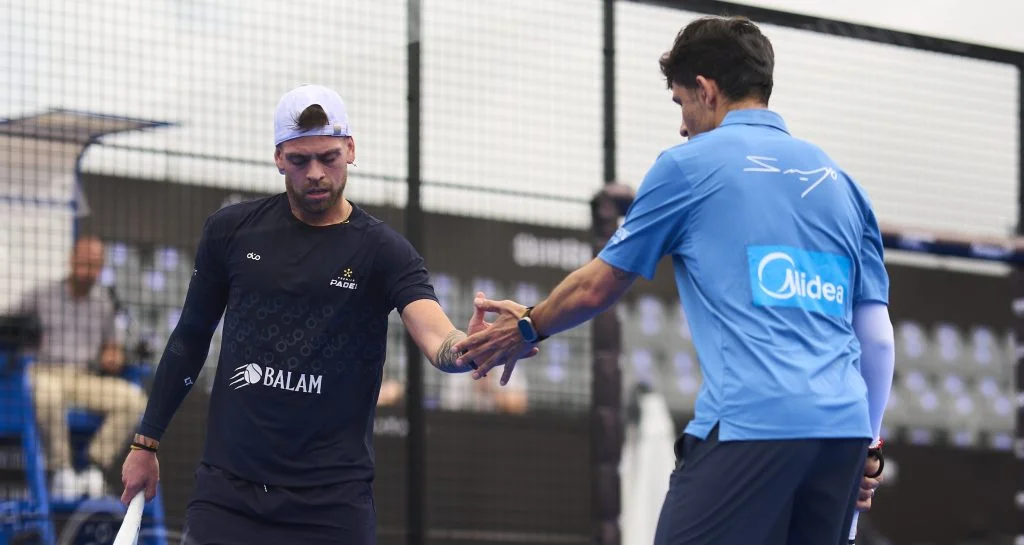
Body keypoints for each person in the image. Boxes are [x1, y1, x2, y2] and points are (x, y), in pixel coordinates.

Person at [454, 16, 895, 545]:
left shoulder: (687, 165)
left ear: (706, 91)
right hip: (844, 432)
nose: (682, 126)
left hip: (751, 424)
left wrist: (528, 325)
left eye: (681, 102)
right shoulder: (845, 185)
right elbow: (876, 338)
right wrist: (868, 446)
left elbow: (597, 287)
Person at [119, 84, 530, 545]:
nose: (315, 173)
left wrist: (473, 348)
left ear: (350, 150)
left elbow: (438, 338)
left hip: (332, 506)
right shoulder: (231, 231)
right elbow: (191, 336)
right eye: (300, 160)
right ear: (278, 158)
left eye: (328, 157)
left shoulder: (384, 251)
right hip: (227, 494)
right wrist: (145, 442)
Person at [17, 235, 147, 499]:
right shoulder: (41, 296)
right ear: (72, 260)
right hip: (44, 372)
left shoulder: (104, 303)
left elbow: (113, 347)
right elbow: (10, 327)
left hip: (84, 378)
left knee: (134, 400)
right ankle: (61, 470)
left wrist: (113, 356)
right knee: (47, 393)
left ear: (101, 268)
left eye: (94, 265)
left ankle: (94, 466)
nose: (88, 271)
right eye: (84, 263)